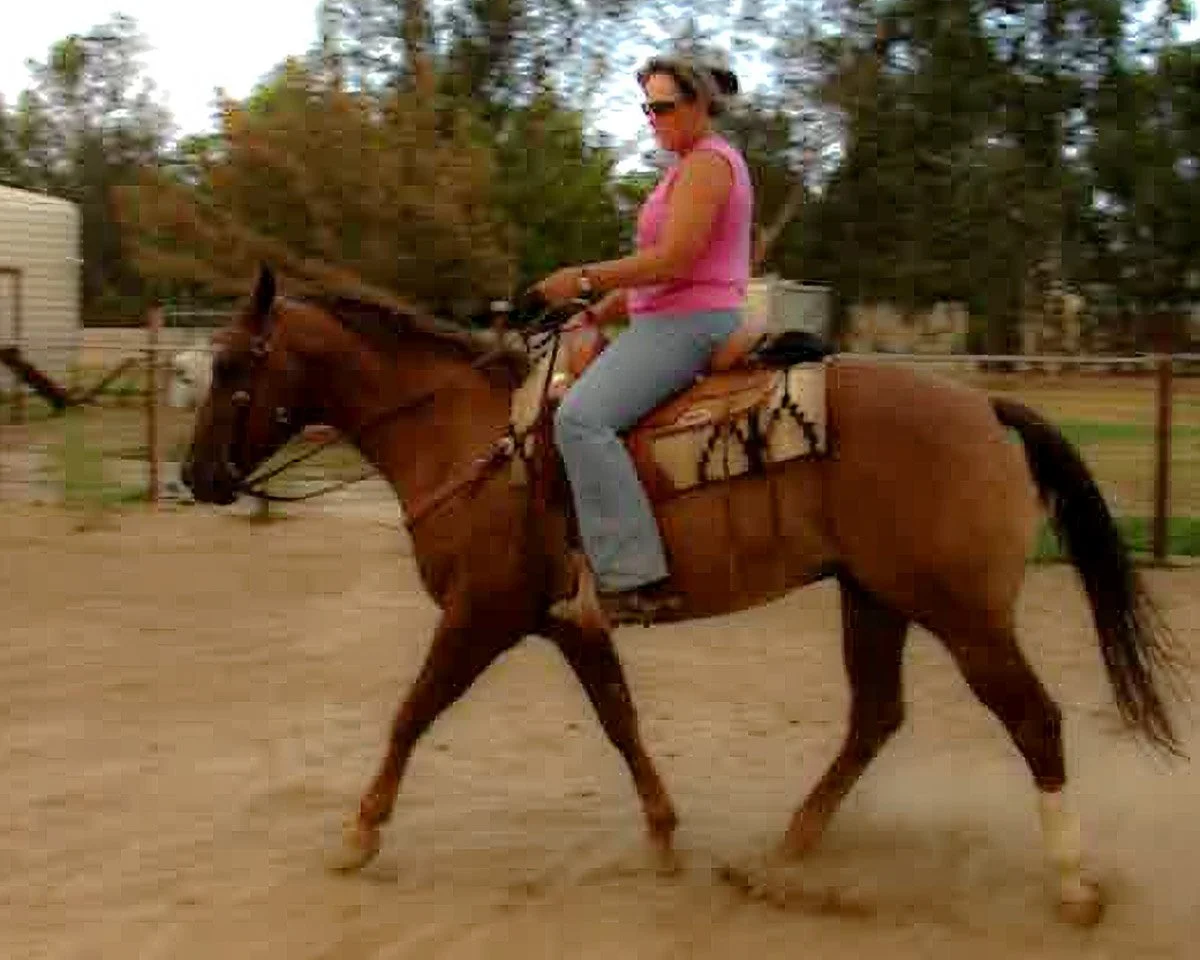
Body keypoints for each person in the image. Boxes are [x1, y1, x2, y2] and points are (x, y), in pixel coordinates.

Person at [528, 54, 754, 625]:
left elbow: (674, 261)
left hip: (692, 323)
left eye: (663, 106)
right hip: (667, 317)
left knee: (580, 419)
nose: (652, 117)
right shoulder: (684, 167)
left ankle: (634, 580)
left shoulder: (707, 164)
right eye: (646, 107)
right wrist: (599, 311)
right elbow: (658, 275)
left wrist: (580, 278)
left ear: (700, 104)